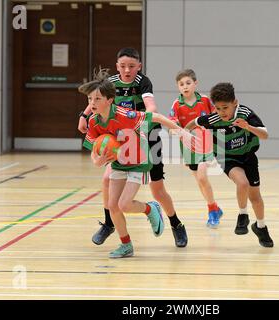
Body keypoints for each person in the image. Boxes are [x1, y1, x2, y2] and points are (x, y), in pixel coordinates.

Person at [79, 70, 196, 258]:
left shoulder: (125, 115)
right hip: (118, 164)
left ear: (110, 100)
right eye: (90, 99)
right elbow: (94, 149)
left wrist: (180, 131)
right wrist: (97, 161)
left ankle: (151, 208)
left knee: (124, 204)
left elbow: (156, 117)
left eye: (97, 99)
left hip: (138, 162)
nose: (92, 103)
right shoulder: (93, 121)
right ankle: (126, 245)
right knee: (112, 205)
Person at [185, 82, 274, 247]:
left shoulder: (246, 114)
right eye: (217, 108)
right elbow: (194, 122)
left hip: (248, 156)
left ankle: (261, 226)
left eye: (225, 108)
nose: (221, 112)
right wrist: (183, 133)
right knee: (242, 183)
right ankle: (243, 215)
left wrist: (248, 127)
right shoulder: (214, 119)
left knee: (255, 197)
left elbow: (265, 135)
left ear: (235, 103)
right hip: (227, 158)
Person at [169, 69, 223, 228]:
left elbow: (217, 116)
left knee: (201, 177)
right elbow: (172, 125)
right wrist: (177, 131)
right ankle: (214, 207)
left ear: (195, 83)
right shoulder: (177, 104)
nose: (185, 87)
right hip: (188, 147)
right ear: (178, 87)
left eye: (188, 83)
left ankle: (212, 211)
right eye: (181, 84)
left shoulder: (205, 100)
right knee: (200, 181)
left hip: (206, 143)